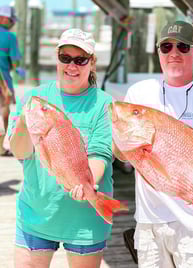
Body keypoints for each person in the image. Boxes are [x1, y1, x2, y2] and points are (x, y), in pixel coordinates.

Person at [117, 20, 193, 267]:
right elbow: (122, 155)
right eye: (166, 47)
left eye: (183, 47)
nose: (174, 53)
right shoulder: (139, 93)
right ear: (158, 52)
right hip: (150, 225)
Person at [8, 28, 113, 268]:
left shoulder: (104, 103)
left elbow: (100, 153)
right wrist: (25, 121)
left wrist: (87, 185)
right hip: (36, 214)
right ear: (57, 58)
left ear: (92, 63)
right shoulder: (33, 98)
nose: (72, 66)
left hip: (85, 219)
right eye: (65, 58)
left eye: (80, 60)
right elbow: (21, 152)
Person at [0, 5, 21, 156]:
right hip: (3, 80)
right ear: (5, 19)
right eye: (12, 20)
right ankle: (2, 146)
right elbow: (15, 63)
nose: (13, 23)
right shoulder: (10, 37)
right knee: (4, 110)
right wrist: (16, 67)